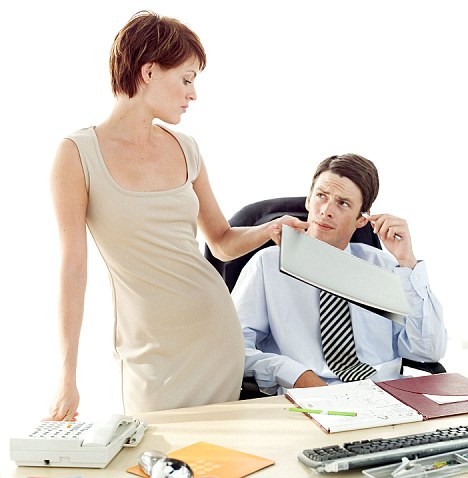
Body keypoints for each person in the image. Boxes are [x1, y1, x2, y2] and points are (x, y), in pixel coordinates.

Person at [47, 10, 307, 419]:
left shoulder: (187, 148)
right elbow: (72, 271)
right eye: (186, 79)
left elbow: (220, 242)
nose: (193, 93)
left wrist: (270, 228)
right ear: (149, 71)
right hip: (150, 352)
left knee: (226, 460)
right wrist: (66, 378)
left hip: (213, 333)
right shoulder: (77, 155)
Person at [232, 153, 447, 395]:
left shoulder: (383, 267)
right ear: (308, 200)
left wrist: (407, 262)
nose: (326, 210)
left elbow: (427, 351)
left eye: (343, 203)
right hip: (305, 396)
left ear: (362, 220)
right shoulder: (268, 264)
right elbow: (234, 348)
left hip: (384, 394)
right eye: (321, 196)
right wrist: (294, 374)